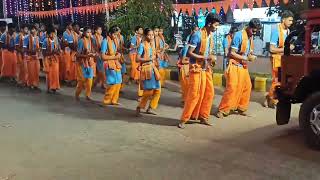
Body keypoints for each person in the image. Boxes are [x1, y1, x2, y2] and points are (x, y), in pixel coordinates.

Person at [178, 13, 221, 129]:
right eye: (216, 25)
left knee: (209, 93)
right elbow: (189, 53)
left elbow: (208, 53)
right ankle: (184, 119)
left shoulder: (210, 36)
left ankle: (203, 116)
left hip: (206, 68)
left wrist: (211, 60)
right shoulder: (197, 35)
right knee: (194, 94)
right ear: (209, 24)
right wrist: (206, 58)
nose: (216, 28)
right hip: (196, 68)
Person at [216, 18, 262, 118]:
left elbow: (247, 51)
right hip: (234, 65)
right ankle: (223, 109)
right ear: (249, 27)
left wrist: (250, 56)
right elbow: (231, 53)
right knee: (232, 87)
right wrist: (246, 58)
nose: (254, 33)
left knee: (247, 86)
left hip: (243, 66)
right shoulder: (239, 35)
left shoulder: (250, 37)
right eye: (253, 30)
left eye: (256, 31)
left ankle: (241, 108)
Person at [264, 10, 294, 109]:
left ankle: (270, 97)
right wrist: (286, 49)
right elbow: (271, 49)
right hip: (276, 59)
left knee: (283, 80)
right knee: (277, 80)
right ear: (283, 20)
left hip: (284, 59)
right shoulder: (276, 31)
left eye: (292, 20)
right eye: (289, 20)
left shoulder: (288, 31)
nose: (291, 22)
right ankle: (273, 99)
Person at [135, 28, 161, 116]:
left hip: (153, 68)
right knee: (148, 91)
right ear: (145, 35)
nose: (151, 36)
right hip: (146, 69)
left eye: (152, 35)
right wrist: (149, 59)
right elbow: (137, 59)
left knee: (158, 90)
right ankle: (139, 107)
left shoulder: (152, 45)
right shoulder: (142, 45)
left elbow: (154, 55)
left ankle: (151, 108)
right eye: (149, 35)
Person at [101, 26, 123, 106]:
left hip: (115, 62)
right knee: (112, 82)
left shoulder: (115, 40)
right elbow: (103, 56)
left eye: (117, 35)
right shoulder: (105, 41)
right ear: (110, 33)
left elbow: (115, 52)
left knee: (119, 81)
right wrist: (115, 57)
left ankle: (114, 100)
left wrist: (117, 55)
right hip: (109, 63)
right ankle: (106, 101)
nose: (116, 36)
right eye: (114, 34)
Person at [177, 26, 199, 104]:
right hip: (185, 68)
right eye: (195, 30)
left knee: (189, 86)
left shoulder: (192, 47)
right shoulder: (187, 47)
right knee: (186, 86)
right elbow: (183, 60)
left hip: (189, 68)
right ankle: (186, 101)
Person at [75, 26, 96, 101]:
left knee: (90, 79)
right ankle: (77, 94)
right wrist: (86, 55)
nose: (89, 33)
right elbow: (77, 54)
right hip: (82, 63)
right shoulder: (81, 41)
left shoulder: (92, 40)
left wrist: (93, 54)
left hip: (89, 62)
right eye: (88, 32)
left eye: (90, 32)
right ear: (84, 33)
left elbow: (93, 50)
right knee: (82, 80)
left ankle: (88, 95)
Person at [42, 26, 61, 94]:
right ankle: (49, 87)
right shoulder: (45, 41)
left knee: (55, 74)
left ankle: (54, 87)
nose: (53, 35)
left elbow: (58, 49)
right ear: (48, 34)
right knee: (49, 75)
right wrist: (52, 52)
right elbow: (43, 53)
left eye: (54, 33)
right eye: (51, 33)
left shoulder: (56, 40)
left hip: (55, 59)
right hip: (48, 60)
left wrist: (58, 52)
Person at [23, 24, 41, 91]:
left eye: (34, 29)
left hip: (36, 57)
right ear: (30, 30)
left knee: (36, 71)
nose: (33, 31)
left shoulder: (37, 38)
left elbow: (38, 47)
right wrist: (32, 51)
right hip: (29, 57)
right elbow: (24, 49)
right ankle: (30, 84)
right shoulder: (26, 38)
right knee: (30, 72)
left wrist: (38, 50)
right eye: (32, 29)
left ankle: (36, 84)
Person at [92, 25, 105, 89]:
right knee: (100, 70)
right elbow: (93, 47)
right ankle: (99, 83)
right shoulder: (93, 37)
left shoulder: (102, 37)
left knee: (101, 70)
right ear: (95, 31)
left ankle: (97, 82)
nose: (101, 31)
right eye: (99, 30)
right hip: (95, 54)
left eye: (101, 30)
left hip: (101, 54)